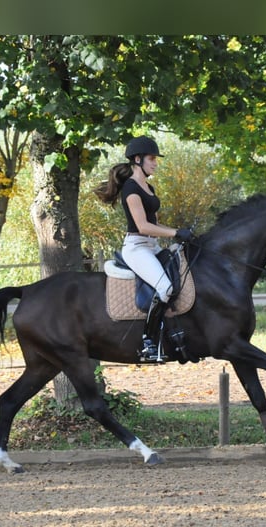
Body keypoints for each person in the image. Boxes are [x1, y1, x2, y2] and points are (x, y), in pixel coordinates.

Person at [94, 135, 194, 361]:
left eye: (155, 159)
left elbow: (155, 225)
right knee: (166, 288)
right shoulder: (130, 189)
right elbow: (143, 226)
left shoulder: (148, 187)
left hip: (152, 245)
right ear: (137, 159)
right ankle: (148, 343)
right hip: (137, 247)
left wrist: (180, 232)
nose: (155, 163)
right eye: (152, 158)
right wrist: (176, 233)